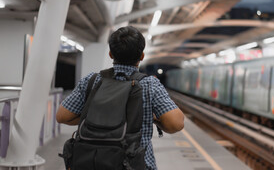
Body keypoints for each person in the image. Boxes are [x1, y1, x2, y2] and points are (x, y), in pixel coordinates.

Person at [56, 26, 184, 170]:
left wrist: (97, 118)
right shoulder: (149, 85)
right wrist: (152, 120)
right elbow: (176, 124)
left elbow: (62, 116)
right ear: (141, 56)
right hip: (133, 164)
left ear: (111, 54)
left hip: (91, 161)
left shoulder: (91, 81)